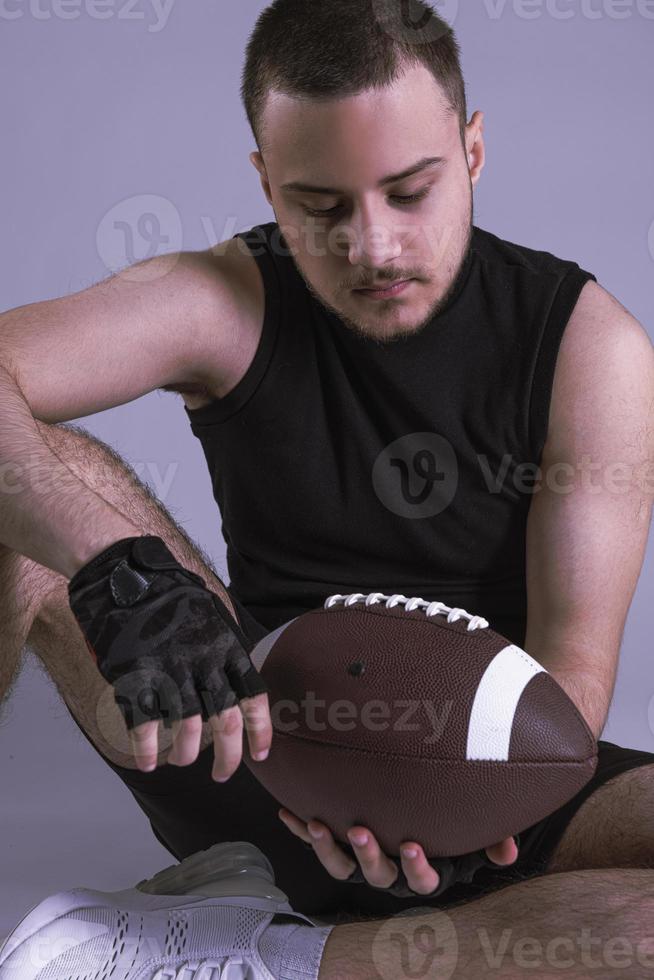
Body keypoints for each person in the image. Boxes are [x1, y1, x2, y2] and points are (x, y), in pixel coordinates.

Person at [1, 0, 653, 977]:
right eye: (322, 205)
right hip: (234, 735)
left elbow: (573, 682)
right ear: (265, 180)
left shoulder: (590, 347)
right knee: (25, 476)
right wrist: (114, 560)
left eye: (408, 192)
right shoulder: (223, 296)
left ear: (471, 151)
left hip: (485, 799)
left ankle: (241, 954)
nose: (373, 246)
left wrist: (440, 802)